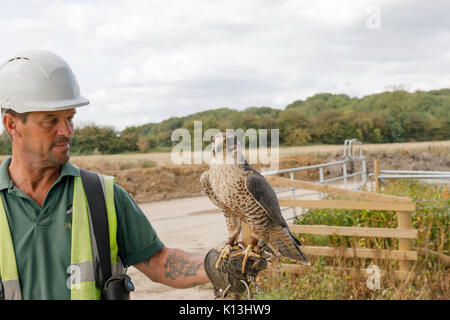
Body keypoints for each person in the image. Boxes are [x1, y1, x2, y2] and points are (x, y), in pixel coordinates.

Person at [0, 50, 210, 300]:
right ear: (12, 124)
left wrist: (217, 265)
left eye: (70, 118)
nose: (66, 131)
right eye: (50, 121)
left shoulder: (102, 195)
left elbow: (158, 261)